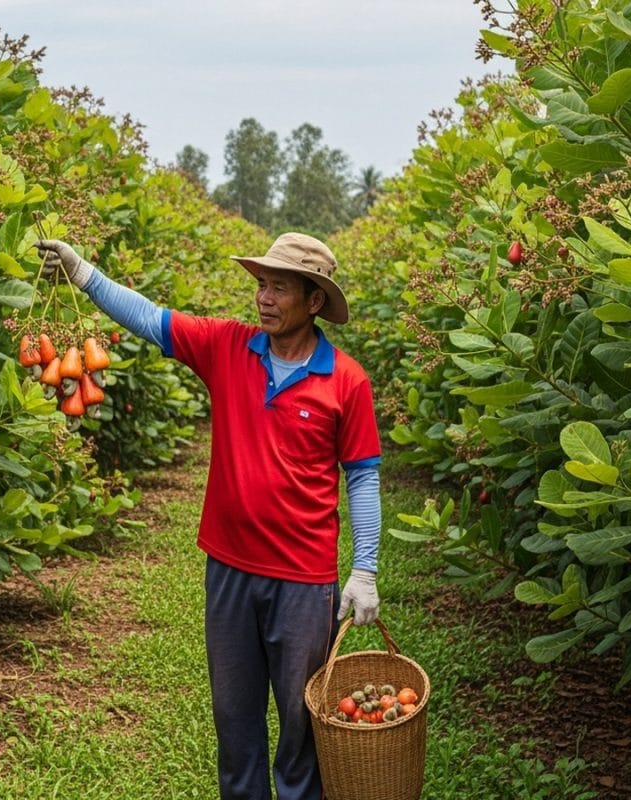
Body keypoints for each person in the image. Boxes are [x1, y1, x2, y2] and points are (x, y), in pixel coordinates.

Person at [35, 233, 382, 800]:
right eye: (261, 285)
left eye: (279, 288)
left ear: (314, 301)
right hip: (229, 572)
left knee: (302, 729)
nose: (263, 298)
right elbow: (150, 318)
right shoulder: (226, 346)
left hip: (303, 581)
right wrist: (84, 274)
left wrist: (363, 570)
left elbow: (363, 475)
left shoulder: (346, 380)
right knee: (234, 720)